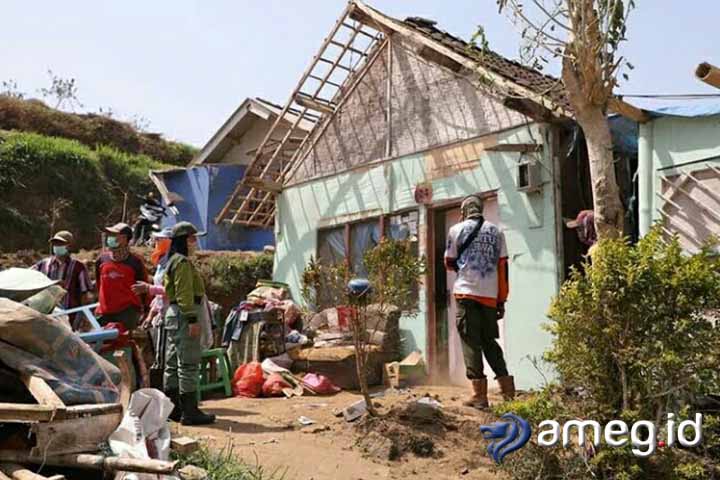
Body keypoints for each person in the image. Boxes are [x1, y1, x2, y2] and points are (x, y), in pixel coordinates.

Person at [444, 195, 514, 409]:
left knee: (470, 341)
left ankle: (479, 396)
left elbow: (448, 262)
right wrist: (501, 300)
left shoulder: (456, 230)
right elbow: (503, 268)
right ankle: (508, 392)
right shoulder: (497, 231)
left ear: (464, 211)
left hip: (466, 294)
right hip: (490, 296)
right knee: (489, 342)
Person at [162, 221, 215, 425]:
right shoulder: (182, 263)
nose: (195, 242)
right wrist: (192, 319)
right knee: (188, 364)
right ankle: (190, 412)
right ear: (184, 240)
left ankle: (173, 409)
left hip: (174, 315)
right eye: (193, 238)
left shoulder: (172, 261)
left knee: (173, 364)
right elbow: (184, 293)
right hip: (184, 315)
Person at [32, 230, 92, 329]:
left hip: (70, 314)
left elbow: (84, 294)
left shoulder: (78, 267)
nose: (57, 246)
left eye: (61, 243)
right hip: (46, 314)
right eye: (55, 243)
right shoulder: (43, 264)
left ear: (69, 246)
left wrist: (85, 316)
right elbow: (27, 277)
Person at [95, 223, 148, 332]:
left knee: (125, 345)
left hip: (127, 313)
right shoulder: (102, 259)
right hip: (104, 312)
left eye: (113, 235)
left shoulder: (135, 262)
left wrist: (145, 310)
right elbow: (99, 285)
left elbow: (143, 288)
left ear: (124, 238)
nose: (109, 238)